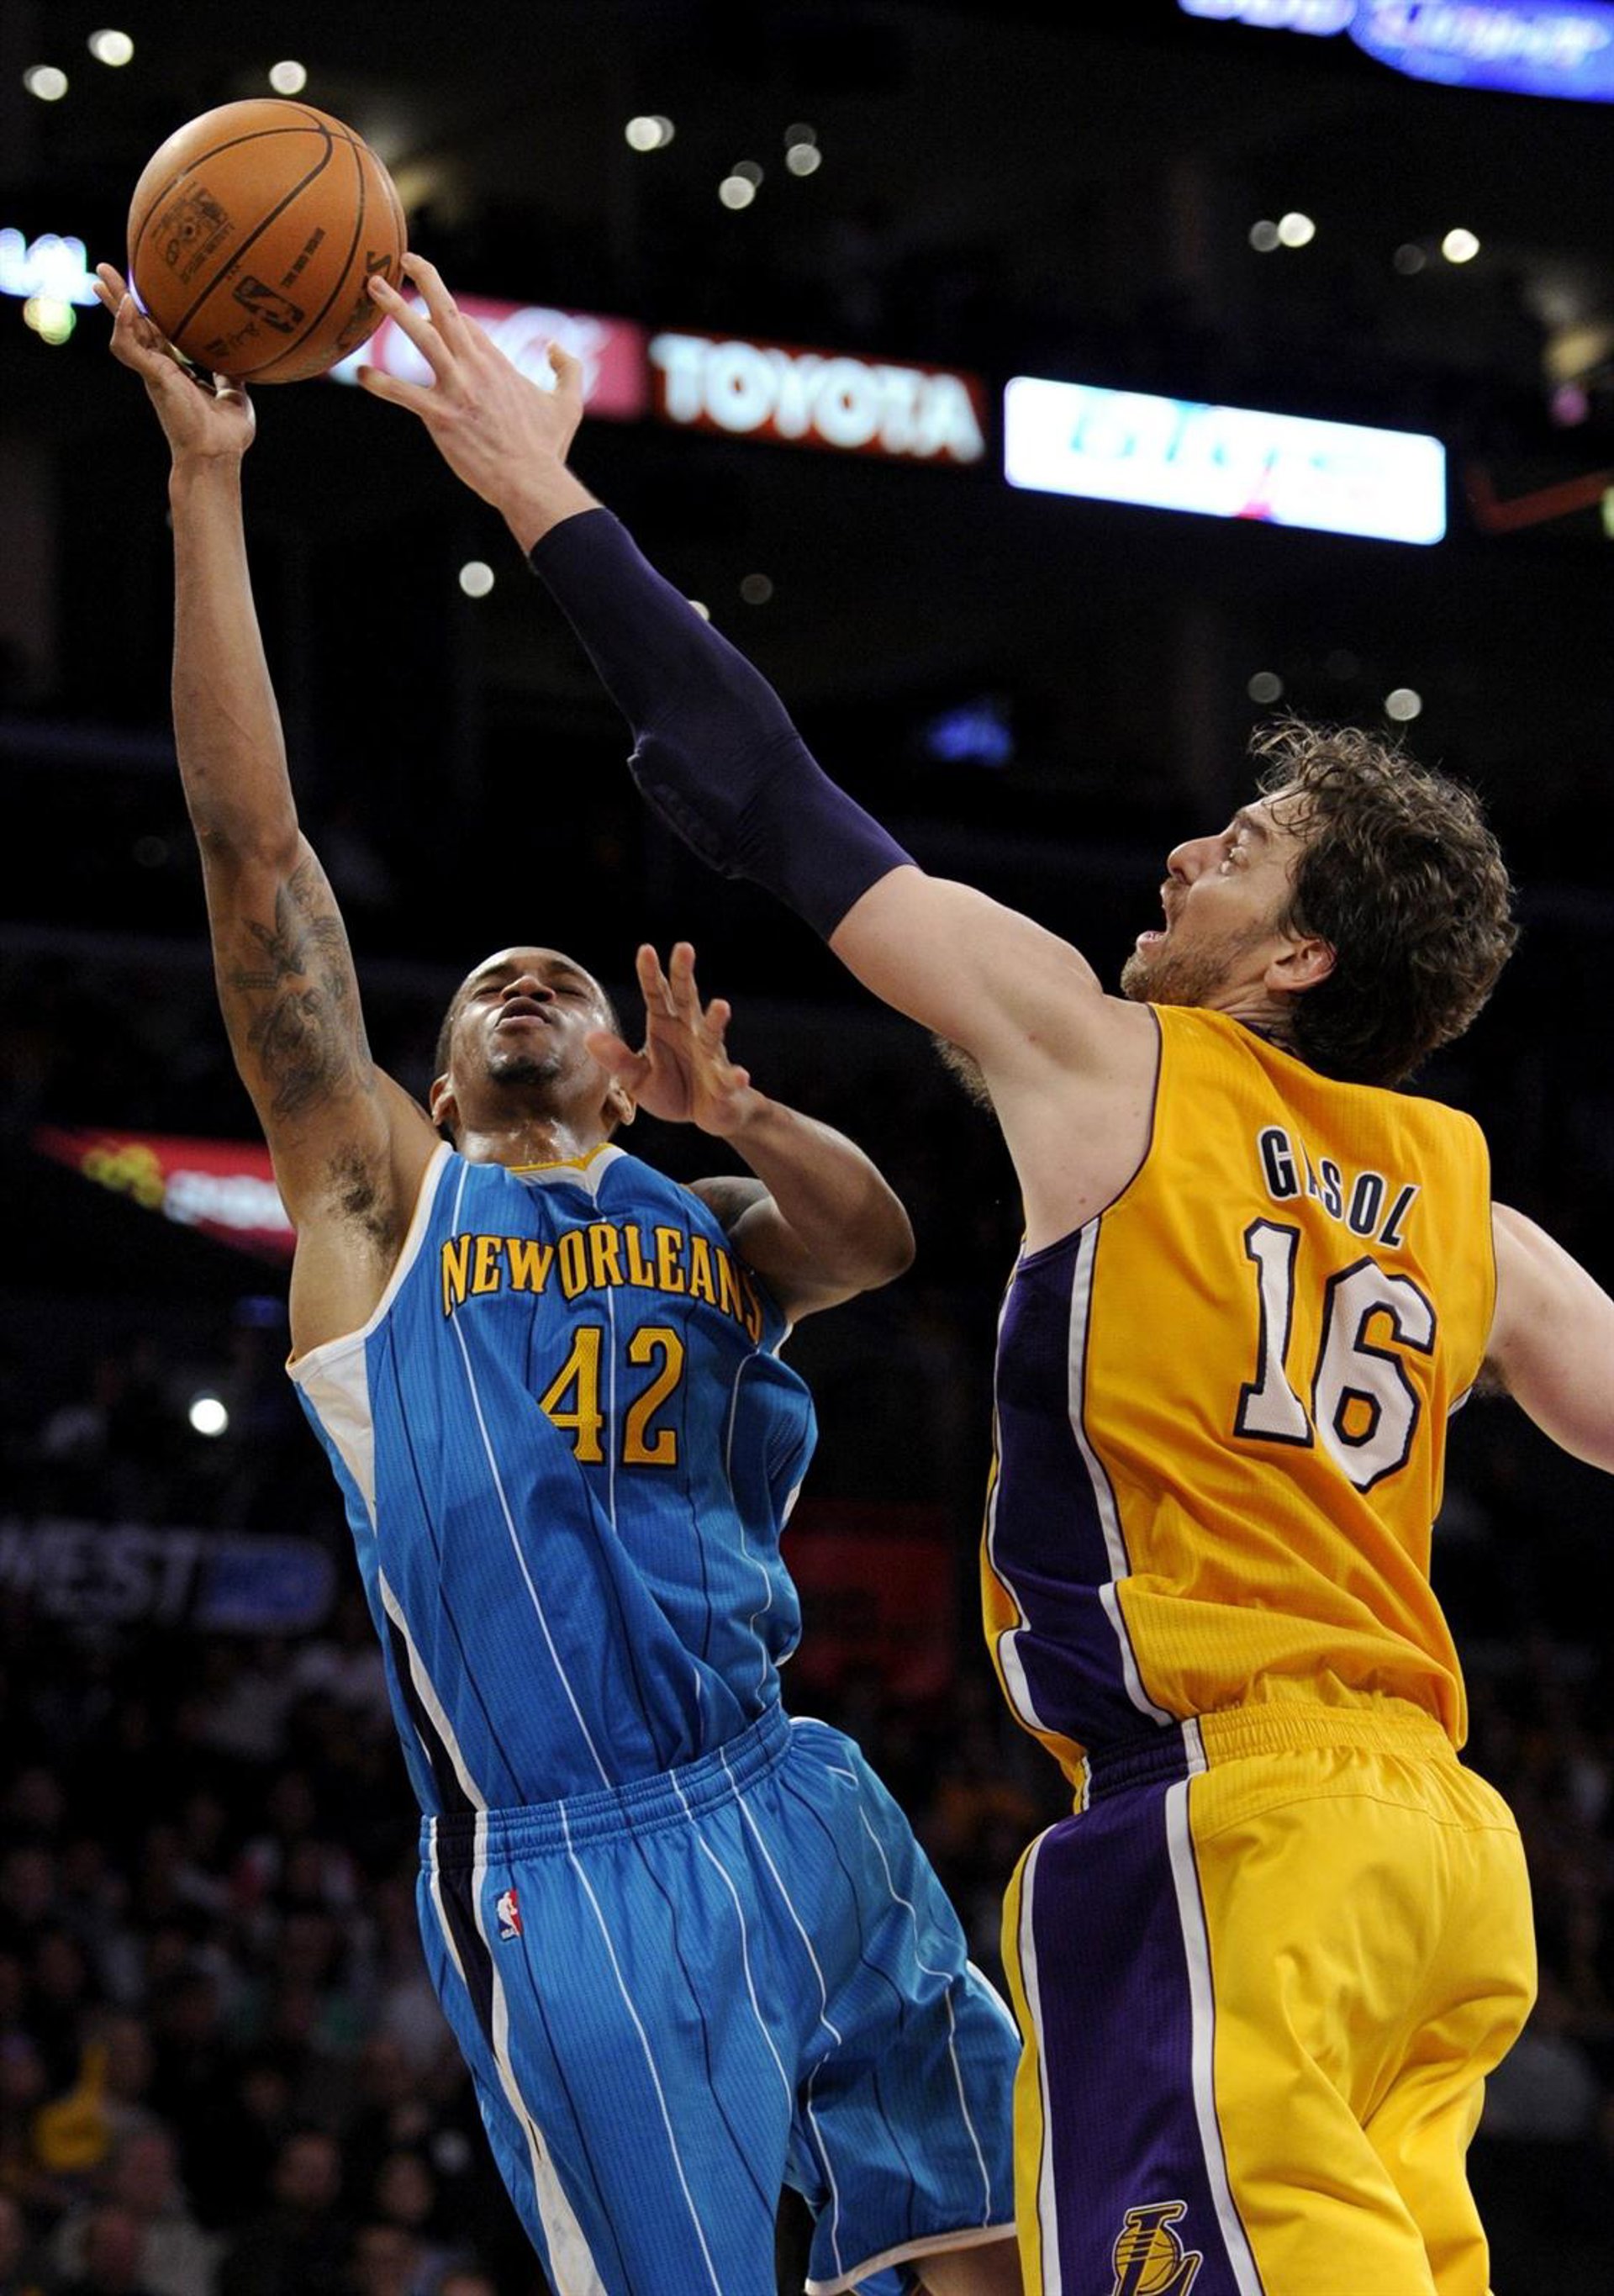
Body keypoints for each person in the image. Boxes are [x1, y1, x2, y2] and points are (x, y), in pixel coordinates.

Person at [349, 252, 1614, 2296]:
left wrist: (537, 491)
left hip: (1237, 1824)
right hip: (1448, 1864)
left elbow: (770, 795)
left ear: (1300, 959)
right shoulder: (1478, 1210)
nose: (1185, 853)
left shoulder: (1119, 1065)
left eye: (1244, 846)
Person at [94, 264, 1022, 2296]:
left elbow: (876, 1240)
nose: (524, 979)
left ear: (624, 1069)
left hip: (793, 1785)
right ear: (429, 1083)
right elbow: (253, 859)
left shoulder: (709, 1222)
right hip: (574, 1858)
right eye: (486, 984)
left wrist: (744, 1114)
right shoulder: (383, 1210)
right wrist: (206, 485)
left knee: (987, 2232)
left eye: (566, 982)